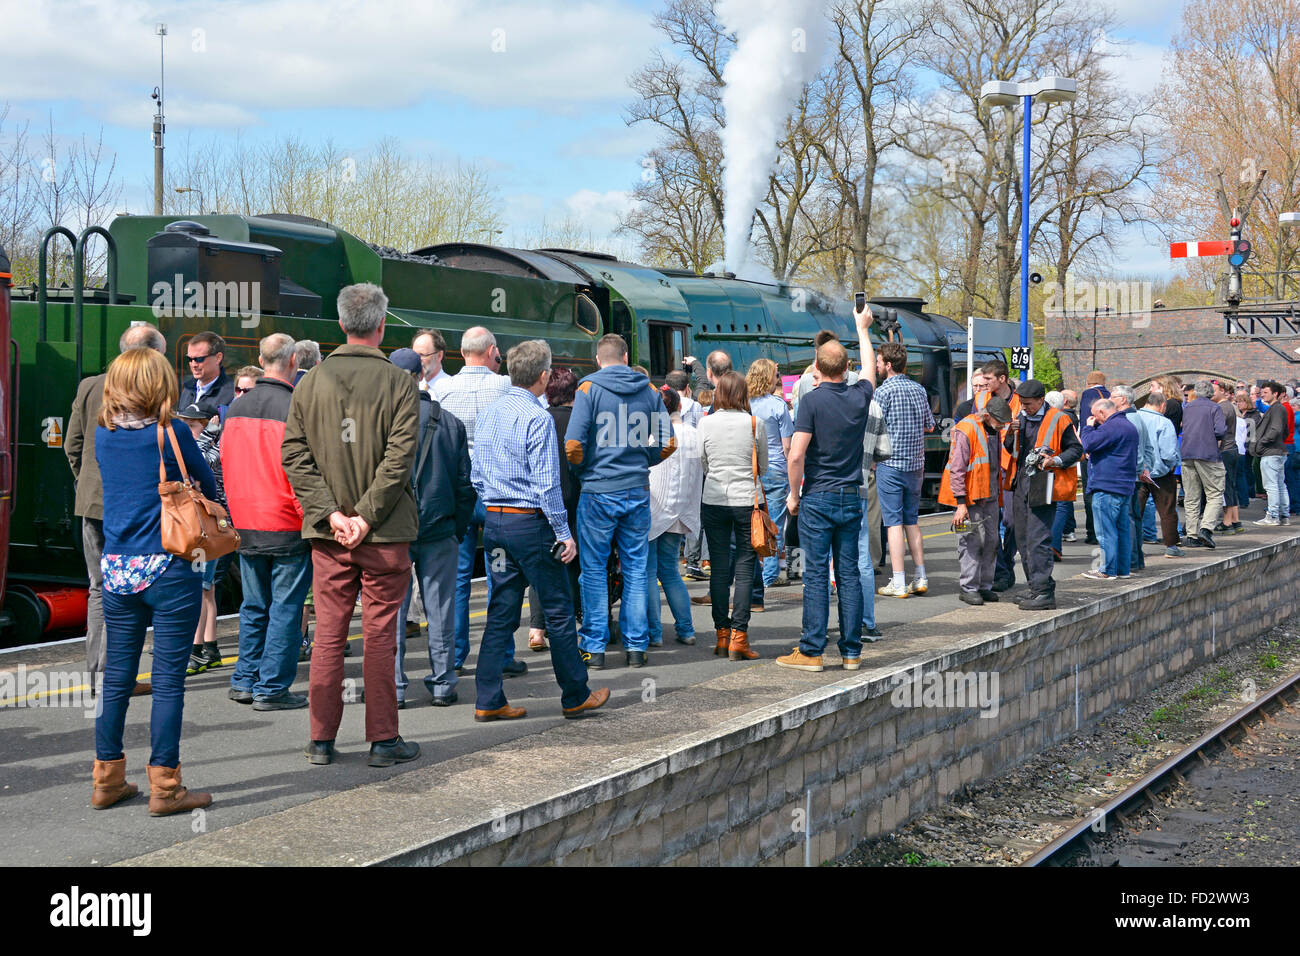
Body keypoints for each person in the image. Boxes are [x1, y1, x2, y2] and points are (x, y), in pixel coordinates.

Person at [281, 282, 421, 768]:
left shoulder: (310, 383)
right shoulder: (401, 384)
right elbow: (399, 460)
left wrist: (333, 515)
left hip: (329, 535)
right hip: (385, 534)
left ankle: (321, 739)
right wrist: (365, 516)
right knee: (381, 633)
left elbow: (294, 455)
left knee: (328, 633)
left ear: (341, 323)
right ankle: (383, 739)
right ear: (381, 325)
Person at [90, 347, 216, 815]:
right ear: (157, 384)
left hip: (118, 568)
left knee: (118, 678)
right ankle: (166, 787)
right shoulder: (172, 432)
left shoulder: (104, 433)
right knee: (167, 681)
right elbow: (208, 483)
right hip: (168, 567)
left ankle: (107, 779)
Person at [470, 339, 609, 721]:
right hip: (531, 523)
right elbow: (547, 485)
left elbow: (476, 475)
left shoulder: (489, 413)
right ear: (544, 376)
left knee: (501, 610)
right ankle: (575, 694)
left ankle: (488, 697)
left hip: (496, 520)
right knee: (559, 609)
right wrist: (564, 533)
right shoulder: (538, 418)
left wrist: (494, 504)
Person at [65, 323, 167, 697]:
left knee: (98, 588)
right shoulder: (152, 389)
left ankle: (99, 675)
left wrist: (89, 484)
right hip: (139, 508)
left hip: (93, 503)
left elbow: (73, 445)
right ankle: (119, 678)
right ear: (152, 354)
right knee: (137, 589)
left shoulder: (91, 386)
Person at [565, 333, 675, 668]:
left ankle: (595, 648)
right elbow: (669, 442)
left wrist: (587, 471)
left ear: (599, 359)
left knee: (595, 570)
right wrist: (645, 461)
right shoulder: (650, 391)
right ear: (626, 357)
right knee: (637, 569)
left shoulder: (587, 389)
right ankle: (636, 648)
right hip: (637, 490)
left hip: (598, 492)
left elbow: (573, 446)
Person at [778, 304, 877, 672]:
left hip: (818, 497)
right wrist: (862, 329)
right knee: (849, 572)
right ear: (846, 368)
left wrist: (793, 494)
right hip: (852, 495)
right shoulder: (859, 396)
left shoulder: (810, 401)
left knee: (817, 574)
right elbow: (870, 370)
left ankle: (812, 650)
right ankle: (851, 652)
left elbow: (796, 455)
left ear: (816, 369)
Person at [221, 333, 313, 710]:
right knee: (286, 608)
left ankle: (244, 678)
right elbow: (299, 472)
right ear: (293, 362)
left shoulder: (237, 407)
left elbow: (225, 462)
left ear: (261, 360)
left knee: (253, 605)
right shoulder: (295, 407)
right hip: (286, 521)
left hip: (245, 521)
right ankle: (272, 687)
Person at [383, 348, 474, 707]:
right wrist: (458, 528)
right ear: (421, 376)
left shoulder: (381, 422)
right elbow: (465, 485)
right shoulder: (450, 422)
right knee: (440, 609)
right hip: (440, 531)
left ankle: (396, 687)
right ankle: (442, 684)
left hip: (394, 532)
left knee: (393, 612)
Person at [432, 327, 521, 676]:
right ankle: (502, 653)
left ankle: (455, 656)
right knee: (502, 573)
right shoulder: (504, 386)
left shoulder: (443, 389)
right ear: (492, 352)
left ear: (461, 352)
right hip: (496, 491)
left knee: (457, 578)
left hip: (457, 494)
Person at [697, 370, 766, 661]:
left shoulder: (705, 422)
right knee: (745, 568)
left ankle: (722, 636)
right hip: (747, 503)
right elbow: (762, 465)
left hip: (713, 500)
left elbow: (703, 461)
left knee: (720, 567)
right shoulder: (754, 423)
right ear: (743, 394)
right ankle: (740, 637)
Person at [1005, 379, 1083, 606]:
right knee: (1022, 538)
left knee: (1037, 539)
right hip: (1021, 482)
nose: (1024, 407)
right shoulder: (1020, 417)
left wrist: (1055, 460)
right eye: (1022, 403)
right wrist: (1010, 434)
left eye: (1028, 404)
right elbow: (1011, 450)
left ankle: (1043, 592)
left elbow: (1077, 449)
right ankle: (1035, 587)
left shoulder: (1060, 419)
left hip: (1043, 482)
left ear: (1041, 400)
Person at [873, 341, 936, 598]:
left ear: (888, 365)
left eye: (878, 362)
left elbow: (874, 428)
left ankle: (898, 581)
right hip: (916, 465)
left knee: (893, 524)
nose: (876, 366)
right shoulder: (919, 390)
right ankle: (920, 576)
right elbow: (930, 426)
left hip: (890, 465)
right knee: (912, 521)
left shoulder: (882, 392)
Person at [526, 368, 583, 651]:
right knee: (572, 562)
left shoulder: (540, 417)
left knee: (540, 563)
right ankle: (570, 621)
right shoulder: (580, 420)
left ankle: (536, 628)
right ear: (574, 393)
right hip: (575, 497)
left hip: (542, 499)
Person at [939, 396, 1013, 604]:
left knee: (991, 541)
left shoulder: (993, 430)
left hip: (989, 495)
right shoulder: (967, 429)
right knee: (971, 542)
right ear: (988, 416)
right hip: (971, 498)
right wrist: (960, 504)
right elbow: (957, 468)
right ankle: (969, 587)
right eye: (1000, 422)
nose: (1002, 427)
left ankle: (984, 585)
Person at [175, 399, 228, 677]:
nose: (188, 430)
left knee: (201, 585)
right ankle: (211, 647)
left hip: (209, 524)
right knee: (207, 588)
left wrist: (207, 434)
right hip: (201, 523)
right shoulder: (204, 441)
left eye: (193, 425)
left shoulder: (217, 444)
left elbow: (202, 464)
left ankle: (195, 651)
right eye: (186, 425)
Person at [647, 386, 701, 648]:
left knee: (647, 573)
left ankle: (654, 634)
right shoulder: (694, 434)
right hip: (682, 512)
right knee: (670, 571)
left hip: (653, 510)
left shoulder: (651, 433)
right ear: (680, 407)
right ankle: (686, 630)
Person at [748, 358, 794, 602]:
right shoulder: (778, 406)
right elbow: (788, 446)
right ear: (768, 377)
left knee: (752, 521)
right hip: (776, 468)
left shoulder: (743, 404)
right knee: (774, 525)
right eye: (776, 375)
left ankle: (754, 576)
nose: (779, 378)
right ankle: (768, 578)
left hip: (751, 469)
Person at [1079, 397, 1137, 580]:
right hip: (1124, 484)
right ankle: (1122, 569)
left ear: (1103, 413)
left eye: (1096, 416)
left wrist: (1088, 427)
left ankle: (1106, 569)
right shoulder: (1128, 426)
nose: (1096, 420)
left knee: (1106, 531)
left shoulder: (1111, 427)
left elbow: (1087, 444)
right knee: (1122, 530)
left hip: (1107, 485)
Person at [978, 360, 1022, 589]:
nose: (984, 384)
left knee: (1012, 523)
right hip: (991, 470)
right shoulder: (982, 401)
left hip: (1012, 471)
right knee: (992, 525)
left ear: (1002, 379)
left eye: (988, 380)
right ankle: (1001, 570)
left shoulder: (1019, 402)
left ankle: (1006, 562)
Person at [1179, 380, 1227, 548]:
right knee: (1215, 493)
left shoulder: (1188, 407)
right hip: (1208, 454)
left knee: (1191, 496)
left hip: (1187, 453)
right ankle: (1206, 528)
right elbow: (1220, 430)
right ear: (1210, 393)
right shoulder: (1214, 407)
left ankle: (1191, 535)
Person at [1133, 391, 1182, 557]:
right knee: (1167, 510)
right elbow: (1168, 451)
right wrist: (1171, 465)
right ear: (1162, 405)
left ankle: (1132, 547)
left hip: (1137, 472)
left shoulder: (1133, 418)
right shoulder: (1164, 422)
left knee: (1134, 511)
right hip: (1160, 472)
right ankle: (1171, 547)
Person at [1251, 380, 1291, 526]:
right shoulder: (1277, 409)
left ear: (1275, 394)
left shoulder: (1277, 409)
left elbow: (1277, 430)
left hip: (1271, 452)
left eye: (1266, 392)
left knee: (1272, 485)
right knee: (1279, 484)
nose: (1262, 395)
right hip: (1276, 451)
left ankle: (1273, 515)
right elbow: (1283, 431)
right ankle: (1283, 515)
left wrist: (1261, 443)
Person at [1078, 371, 1111, 546]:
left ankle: (1093, 532)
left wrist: (1085, 444)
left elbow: (1086, 420)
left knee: (1090, 490)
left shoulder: (1088, 395)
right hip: (1108, 447)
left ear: (1088, 382)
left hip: (1092, 448)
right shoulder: (1110, 395)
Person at [1211, 380, 1243, 535]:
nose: (1211, 393)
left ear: (1222, 391)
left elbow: (1219, 432)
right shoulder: (1227, 406)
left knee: (1226, 486)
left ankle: (1227, 522)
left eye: (1214, 390)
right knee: (1231, 484)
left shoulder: (1222, 408)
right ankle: (1235, 520)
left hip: (1225, 450)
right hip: (1231, 449)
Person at [181, 331, 236, 411]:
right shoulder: (187, 388)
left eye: (199, 359)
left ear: (218, 358)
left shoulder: (231, 393)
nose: (193, 364)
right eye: (190, 359)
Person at [1235, 389, 1259, 509]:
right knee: (1243, 471)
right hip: (1241, 446)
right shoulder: (1239, 415)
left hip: (1248, 446)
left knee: (1246, 471)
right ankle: (1245, 495)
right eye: (1237, 402)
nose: (1238, 404)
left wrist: (1251, 447)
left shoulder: (1253, 415)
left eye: (1241, 402)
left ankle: (1250, 493)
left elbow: (1253, 434)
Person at [412, 329, 451, 393]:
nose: (417, 359)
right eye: (414, 355)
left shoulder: (450, 388)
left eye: (422, 355)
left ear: (439, 356)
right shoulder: (411, 386)